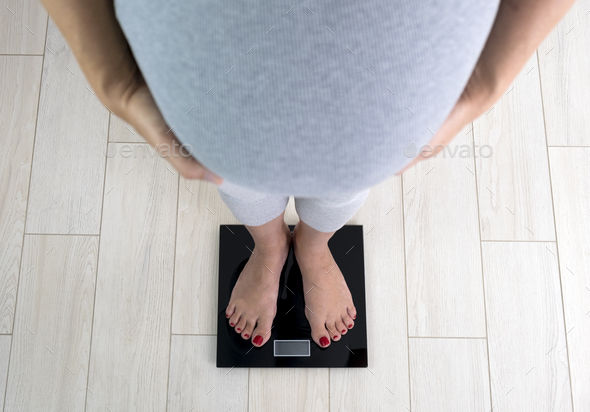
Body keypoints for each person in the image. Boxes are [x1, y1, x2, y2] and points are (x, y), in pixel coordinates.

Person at [40, 0, 575, 349]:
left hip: (373, 118)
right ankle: (271, 247)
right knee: (234, 176)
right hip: (218, 119)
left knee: (341, 182)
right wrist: (118, 84)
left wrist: (485, 81)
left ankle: (313, 248)